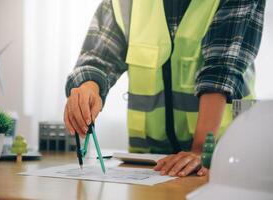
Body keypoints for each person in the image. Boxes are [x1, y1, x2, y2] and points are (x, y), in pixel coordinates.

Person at [64, 0, 265, 177]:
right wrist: (88, 87)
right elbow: (97, 59)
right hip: (149, 167)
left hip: (223, 162)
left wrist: (201, 151)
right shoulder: (124, 3)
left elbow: (222, 69)